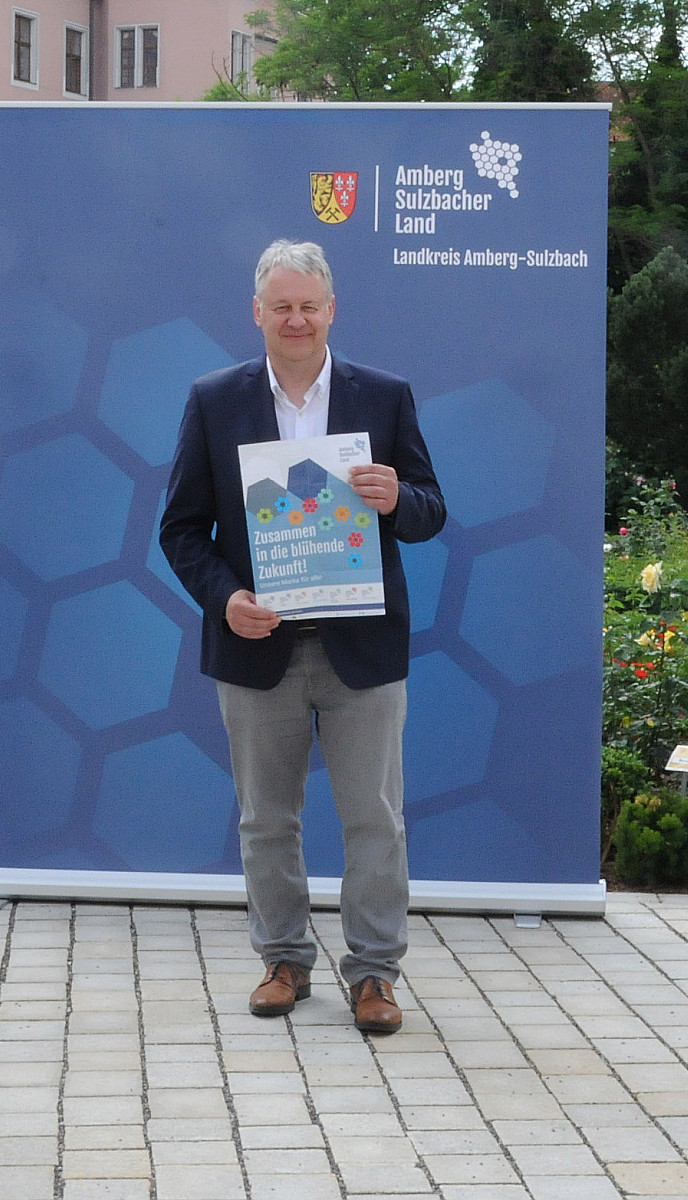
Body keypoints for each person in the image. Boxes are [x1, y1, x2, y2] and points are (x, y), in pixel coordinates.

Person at [160, 240, 445, 1034]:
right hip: (259, 647)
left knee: (376, 819)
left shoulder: (383, 398)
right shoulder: (215, 400)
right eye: (280, 305)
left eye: (309, 305)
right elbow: (181, 529)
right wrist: (226, 601)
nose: (295, 318)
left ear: (332, 310)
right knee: (265, 820)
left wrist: (398, 498)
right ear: (258, 312)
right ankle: (283, 960)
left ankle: (376, 975)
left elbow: (430, 510)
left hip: (364, 650)